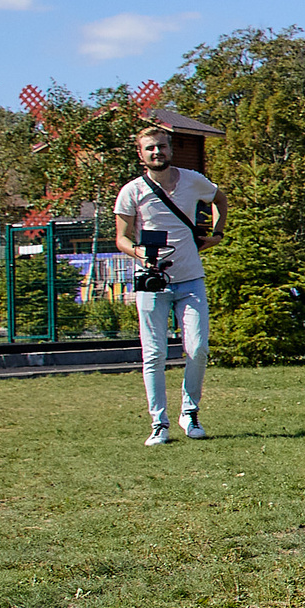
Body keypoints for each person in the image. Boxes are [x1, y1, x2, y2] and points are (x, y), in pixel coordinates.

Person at [113, 123, 223, 445]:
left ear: (170, 150)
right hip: (152, 282)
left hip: (190, 279)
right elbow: (120, 237)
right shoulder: (132, 190)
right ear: (140, 154)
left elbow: (220, 198)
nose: (157, 152)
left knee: (198, 348)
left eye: (162, 146)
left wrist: (216, 234)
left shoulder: (192, 180)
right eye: (150, 148)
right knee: (154, 354)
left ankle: (190, 413)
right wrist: (138, 254)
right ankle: (158, 424)